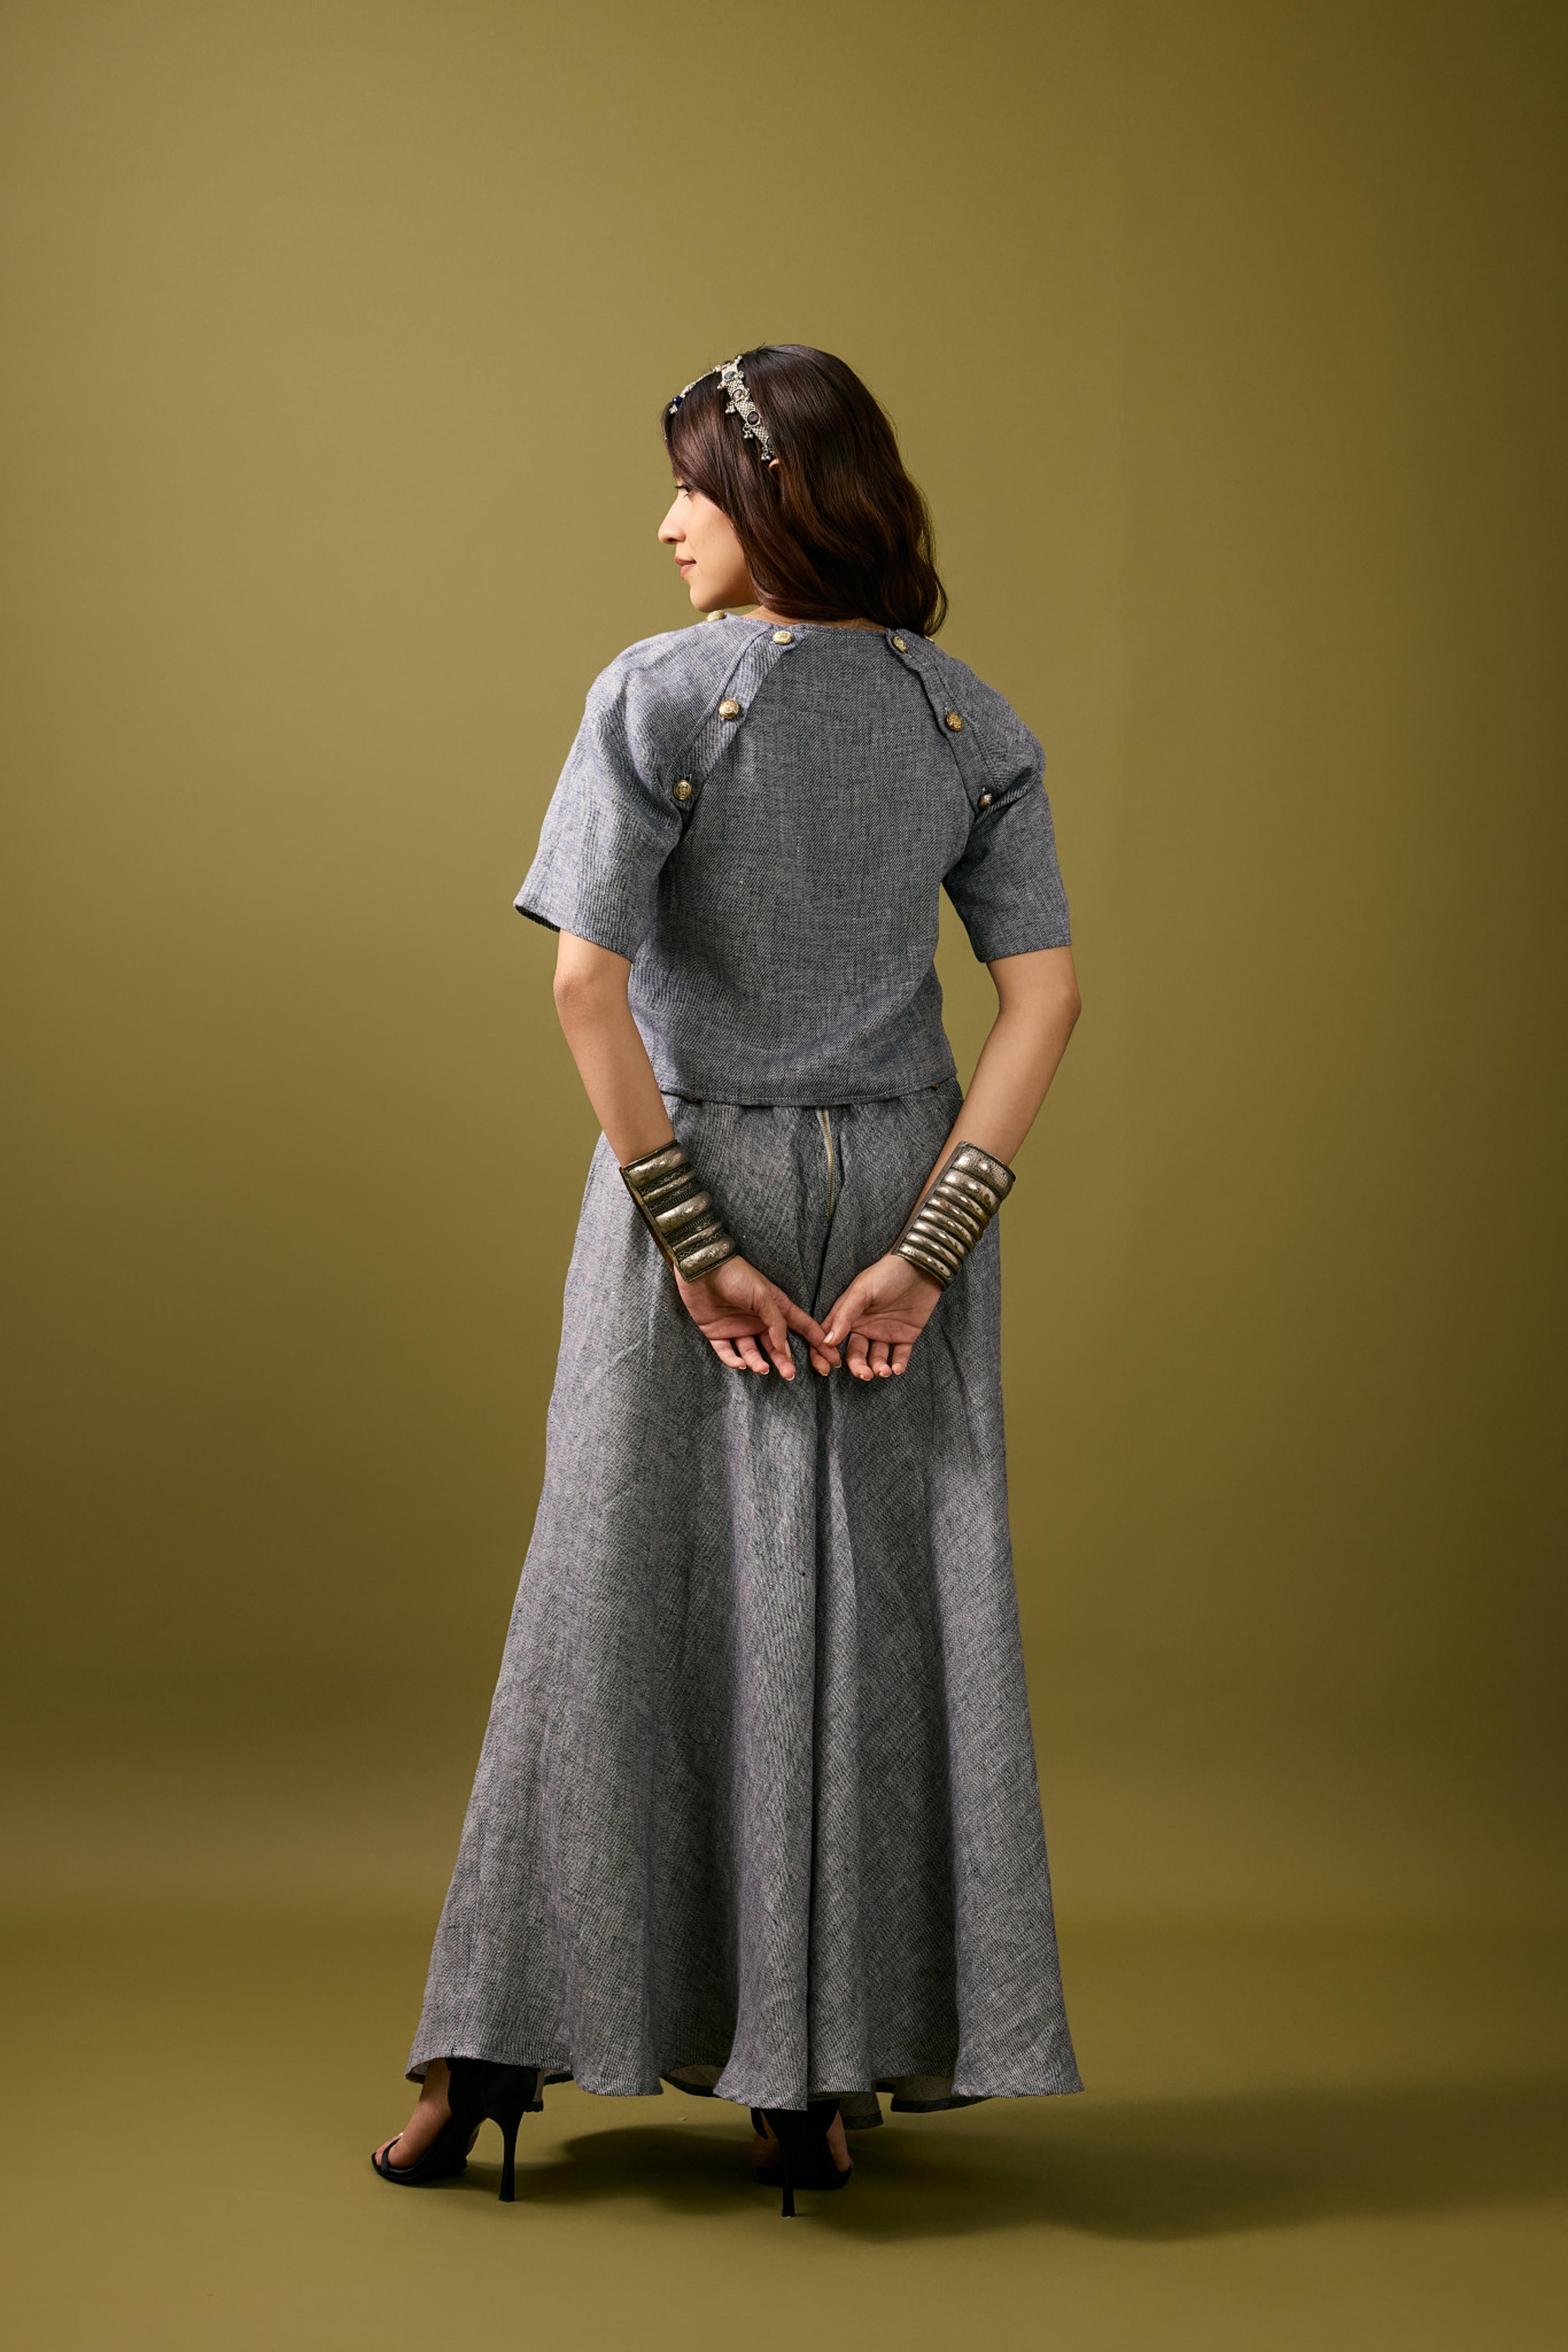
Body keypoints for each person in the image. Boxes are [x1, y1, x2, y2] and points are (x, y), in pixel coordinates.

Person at [372, 345, 1084, 2216]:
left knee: (609, 1592)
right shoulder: (965, 714)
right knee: (868, 1615)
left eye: (691, 484)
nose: (666, 521)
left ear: (771, 496)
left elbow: (582, 985)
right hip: (905, 1190)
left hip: (689, 1173)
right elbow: (1045, 998)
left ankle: (483, 2050)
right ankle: (806, 2074)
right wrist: (929, 1248)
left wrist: (692, 1239)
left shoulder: (659, 691)